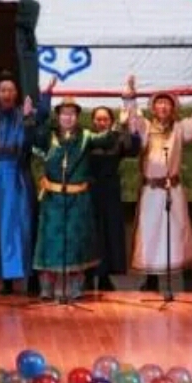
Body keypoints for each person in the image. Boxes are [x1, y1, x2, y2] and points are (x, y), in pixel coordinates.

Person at [0, 71, 55, 296]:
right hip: (0, 180)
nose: (7, 94)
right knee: (3, 228)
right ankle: (6, 278)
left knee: (26, 225)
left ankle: (32, 277)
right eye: (3, 90)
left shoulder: (24, 113)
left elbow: (43, 115)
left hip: (21, 176)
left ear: (16, 93)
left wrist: (46, 95)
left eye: (11, 90)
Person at [30, 96, 129, 300]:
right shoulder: (49, 137)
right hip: (53, 200)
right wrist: (39, 108)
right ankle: (48, 285)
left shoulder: (85, 137)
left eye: (72, 114)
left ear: (77, 116)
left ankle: (74, 285)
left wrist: (119, 125)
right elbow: (35, 136)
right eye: (64, 114)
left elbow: (106, 140)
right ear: (58, 116)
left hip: (78, 200)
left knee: (77, 243)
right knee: (51, 243)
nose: (68, 117)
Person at [124, 76, 192, 293]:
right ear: (153, 107)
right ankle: (152, 279)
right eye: (159, 103)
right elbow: (133, 120)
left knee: (179, 230)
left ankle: (187, 278)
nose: (163, 107)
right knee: (151, 232)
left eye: (167, 103)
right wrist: (131, 96)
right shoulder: (146, 127)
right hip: (151, 190)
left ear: (172, 108)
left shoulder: (179, 129)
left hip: (173, 189)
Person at [86, 103, 142, 291]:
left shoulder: (117, 139)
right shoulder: (87, 138)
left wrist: (129, 127)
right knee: (91, 234)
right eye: (98, 119)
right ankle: (88, 276)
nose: (101, 122)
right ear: (93, 121)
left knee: (109, 233)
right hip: (90, 191)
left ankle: (104, 277)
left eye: (105, 119)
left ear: (111, 121)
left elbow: (133, 150)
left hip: (110, 191)